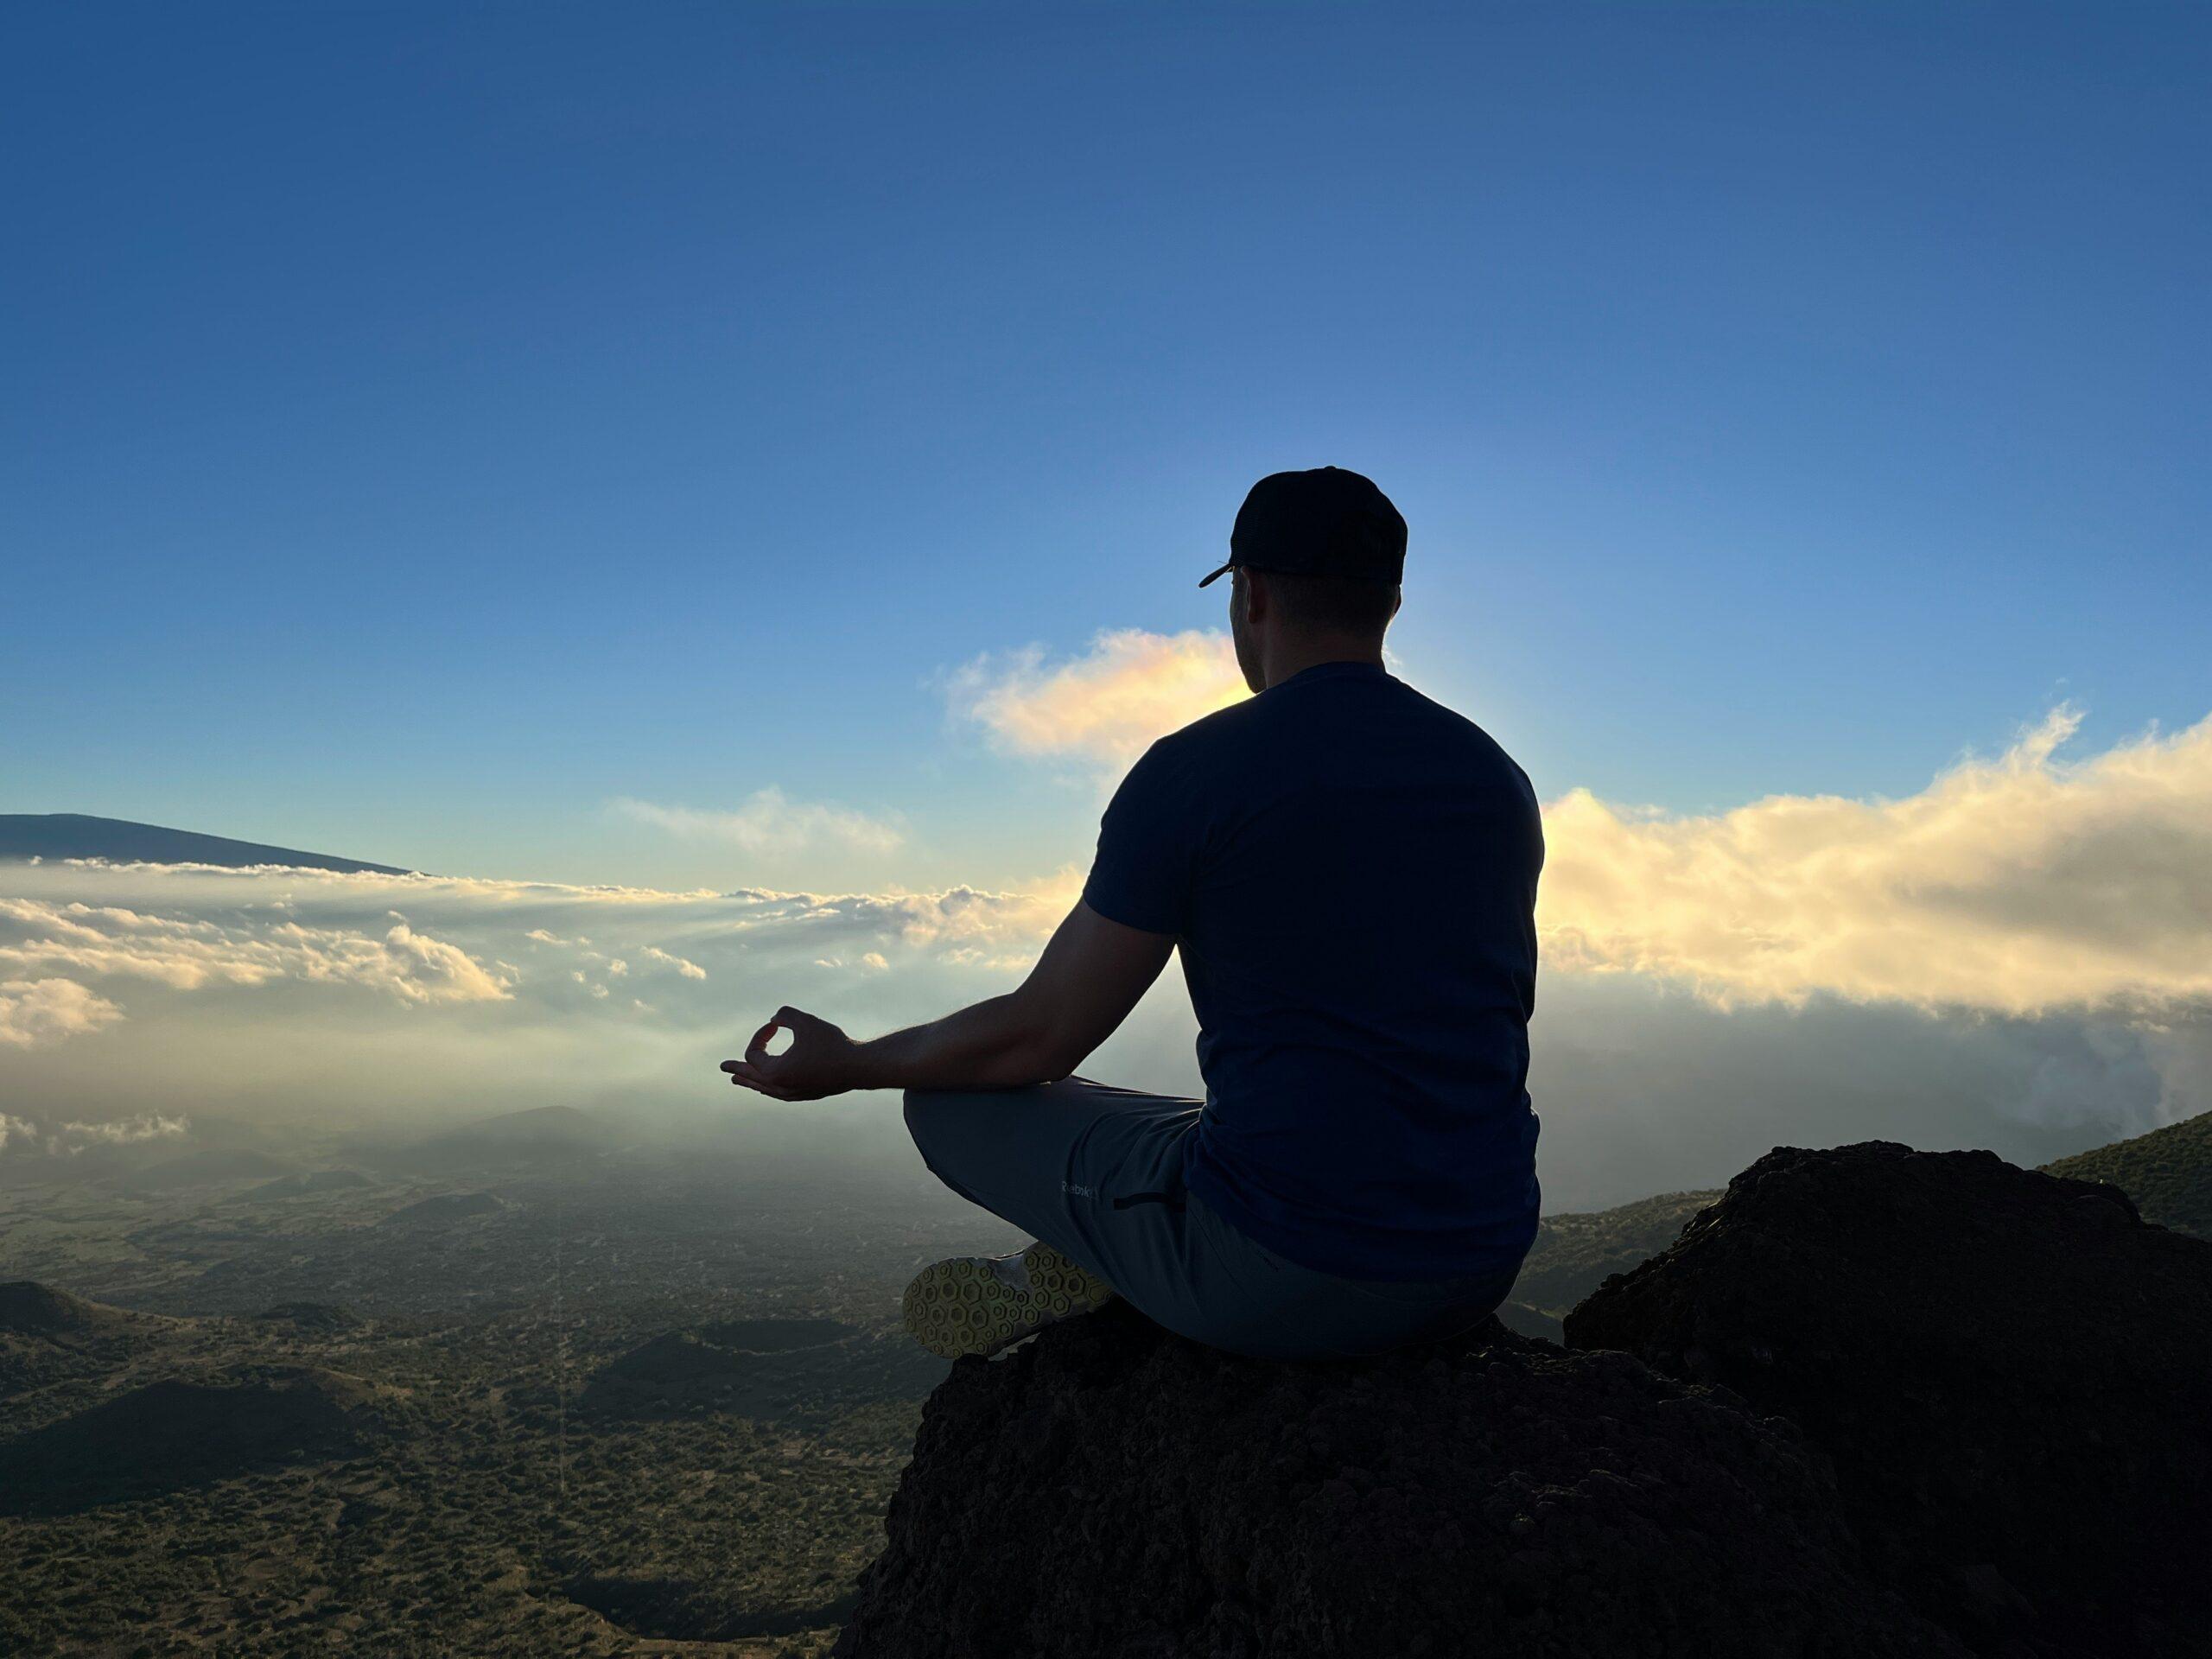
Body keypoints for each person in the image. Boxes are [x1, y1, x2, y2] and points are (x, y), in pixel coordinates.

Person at [721, 467, 1544, 1362]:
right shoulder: (1491, 774)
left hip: (1288, 1275)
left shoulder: (1201, 772)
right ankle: (1134, 1235)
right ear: (1388, 600)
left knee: (947, 1098)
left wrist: (851, 1063)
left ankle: (1118, 1253)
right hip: (1480, 1256)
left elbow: (1036, 1038)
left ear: (1251, 594)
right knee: (1205, 1118)